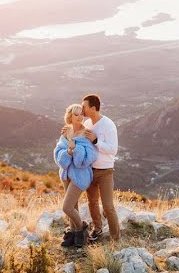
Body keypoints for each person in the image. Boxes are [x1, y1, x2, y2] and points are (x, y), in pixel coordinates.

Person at [53, 103, 99, 248]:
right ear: (70, 116)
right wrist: (68, 152)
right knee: (73, 206)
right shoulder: (66, 130)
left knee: (67, 207)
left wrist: (75, 148)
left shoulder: (86, 133)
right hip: (66, 173)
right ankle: (73, 234)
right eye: (76, 114)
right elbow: (58, 154)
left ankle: (82, 228)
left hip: (80, 176)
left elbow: (87, 159)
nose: (80, 117)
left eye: (81, 114)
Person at [81, 94, 120, 242]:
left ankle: (115, 238)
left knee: (108, 206)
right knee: (92, 202)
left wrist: (96, 141)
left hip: (105, 172)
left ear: (93, 108)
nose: (82, 109)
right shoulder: (88, 124)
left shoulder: (108, 125)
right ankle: (97, 229)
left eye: (84, 106)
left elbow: (113, 150)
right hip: (90, 170)